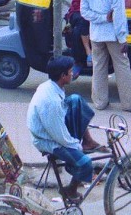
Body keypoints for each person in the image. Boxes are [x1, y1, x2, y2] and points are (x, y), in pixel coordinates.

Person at [27, 55, 107, 202]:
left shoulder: (51, 86)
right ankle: (70, 190)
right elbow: (59, 136)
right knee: (85, 163)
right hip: (47, 140)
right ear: (63, 76)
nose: (73, 73)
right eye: (70, 71)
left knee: (76, 100)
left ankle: (87, 141)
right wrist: (76, 147)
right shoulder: (51, 102)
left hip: (54, 127)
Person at [65, 0, 96, 80]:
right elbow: (76, 3)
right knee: (82, 21)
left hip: (93, 15)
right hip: (78, 13)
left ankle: (81, 60)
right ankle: (87, 55)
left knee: (78, 31)